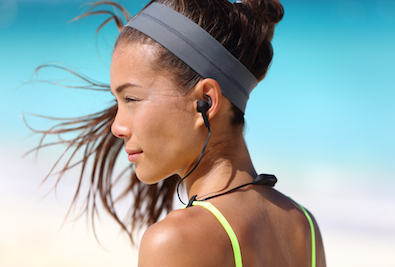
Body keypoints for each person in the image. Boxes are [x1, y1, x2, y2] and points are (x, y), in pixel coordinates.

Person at [34, 0, 326, 266]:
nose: (117, 127)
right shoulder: (304, 226)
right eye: (117, 102)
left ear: (206, 102)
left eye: (132, 99)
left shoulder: (174, 241)